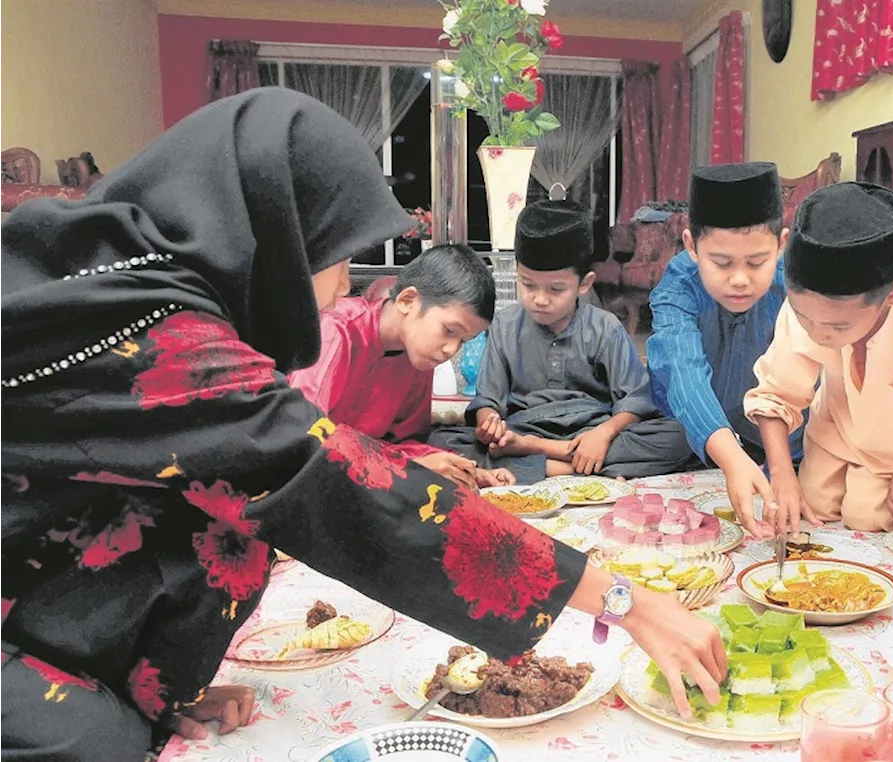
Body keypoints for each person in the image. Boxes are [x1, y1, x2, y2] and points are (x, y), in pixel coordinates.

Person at [0, 88, 724, 761]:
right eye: (335, 256)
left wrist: (156, 678)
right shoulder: (152, 330)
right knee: (88, 735)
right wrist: (623, 601)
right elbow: (336, 479)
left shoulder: (112, 274)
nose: (344, 283)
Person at [744, 182, 893, 594]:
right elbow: (777, 391)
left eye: (837, 327)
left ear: (892, 298)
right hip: (835, 429)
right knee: (811, 508)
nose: (817, 335)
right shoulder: (808, 297)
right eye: (804, 318)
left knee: (867, 516)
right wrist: (783, 475)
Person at [430, 200, 694, 484]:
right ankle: (573, 466)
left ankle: (543, 459)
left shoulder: (605, 328)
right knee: (440, 439)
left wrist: (602, 435)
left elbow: (635, 400)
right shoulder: (504, 325)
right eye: (528, 284)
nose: (540, 299)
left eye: (556, 289)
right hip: (522, 429)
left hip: (591, 432)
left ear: (584, 283)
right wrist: (489, 423)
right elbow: (488, 399)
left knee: (682, 435)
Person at [646, 162, 804, 538]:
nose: (739, 279)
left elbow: (800, 372)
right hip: (704, 426)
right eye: (721, 262)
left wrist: (782, 467)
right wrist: (732, 460)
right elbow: (683, 372)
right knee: (663, 439)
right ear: (691, 246)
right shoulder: (677, 287)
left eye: (757, 262)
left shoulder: (797, 285)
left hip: (781, 428)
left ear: (781, 245)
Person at [288, 245, 515, 491]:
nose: (451, 350)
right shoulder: (336, 331)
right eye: (449, 331)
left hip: (361, 484)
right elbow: (302, 438)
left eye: (463, 341)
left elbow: (404, 443)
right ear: (407, 300)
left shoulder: (419, 358)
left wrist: (464, 471)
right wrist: (409, 467)